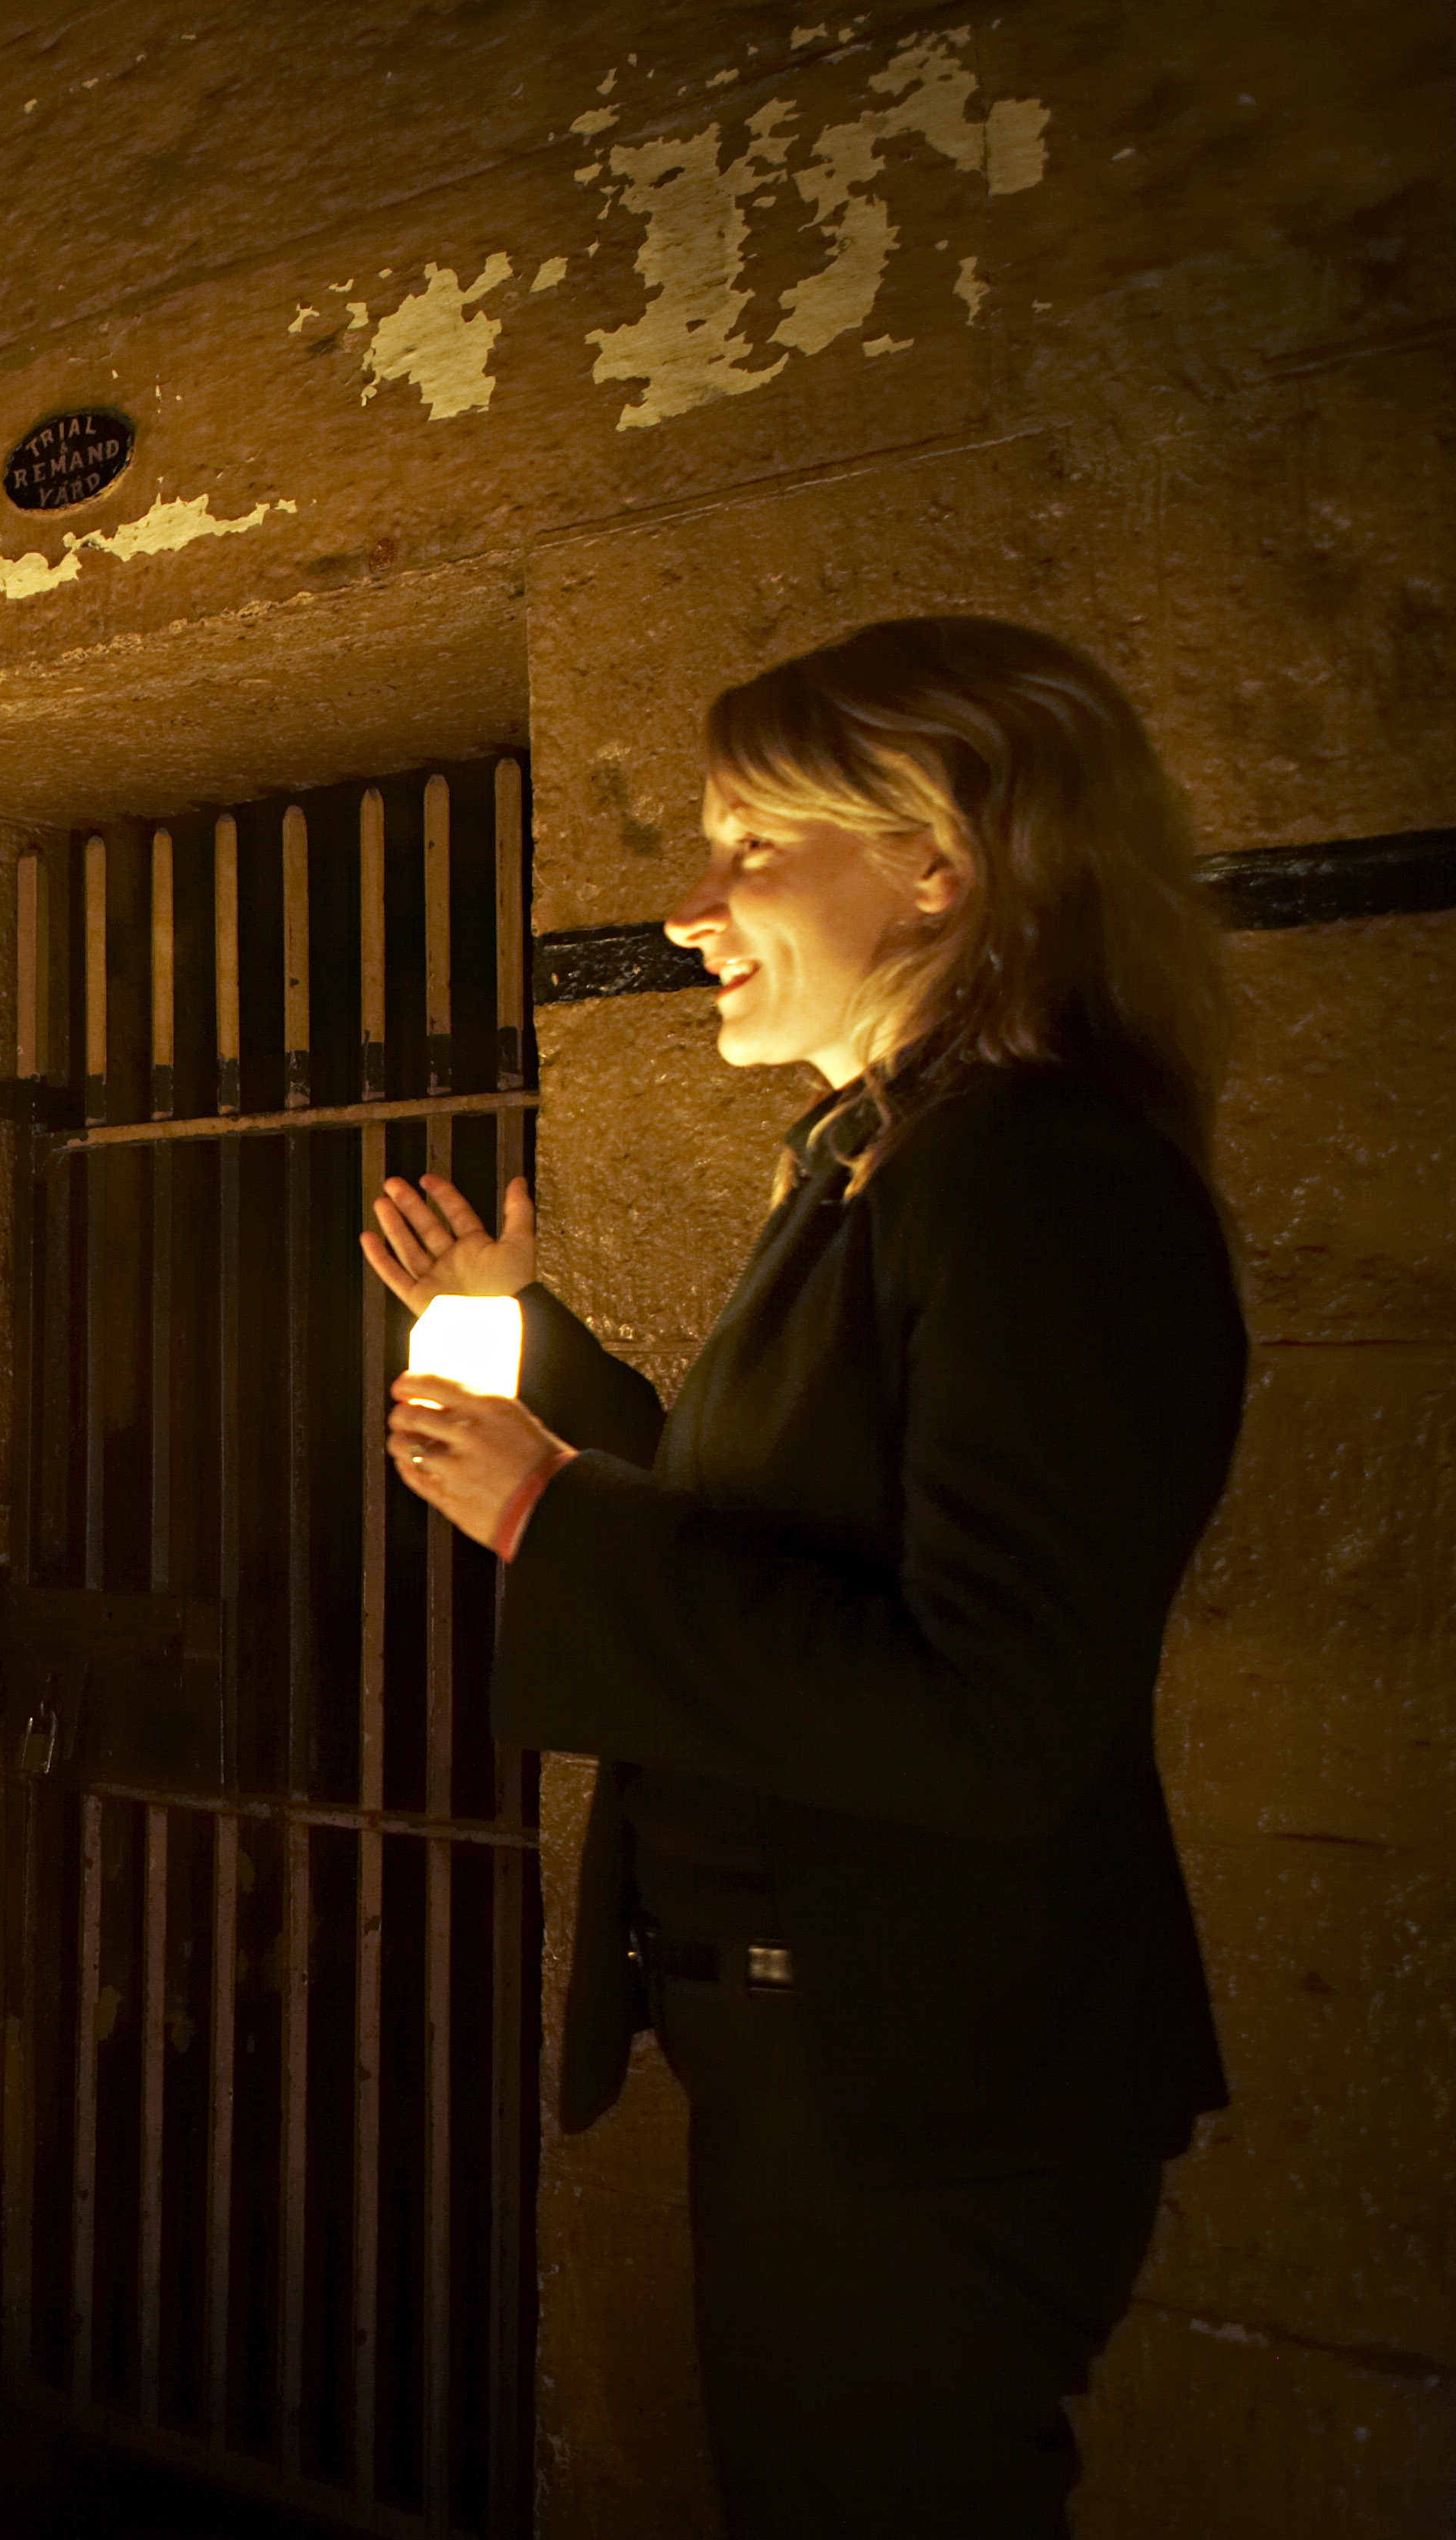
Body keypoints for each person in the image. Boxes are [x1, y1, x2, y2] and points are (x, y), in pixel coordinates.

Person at [372, 617, 1242, 2540]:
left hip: (924, 2087)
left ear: (942, 861)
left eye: (754, 846)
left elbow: (990, 1710)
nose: (692, 908)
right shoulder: (894, 1161)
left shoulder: (1040, 1182)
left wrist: (548, 1515)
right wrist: (547, 1372)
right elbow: (790, 1517)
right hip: (850, 2057)